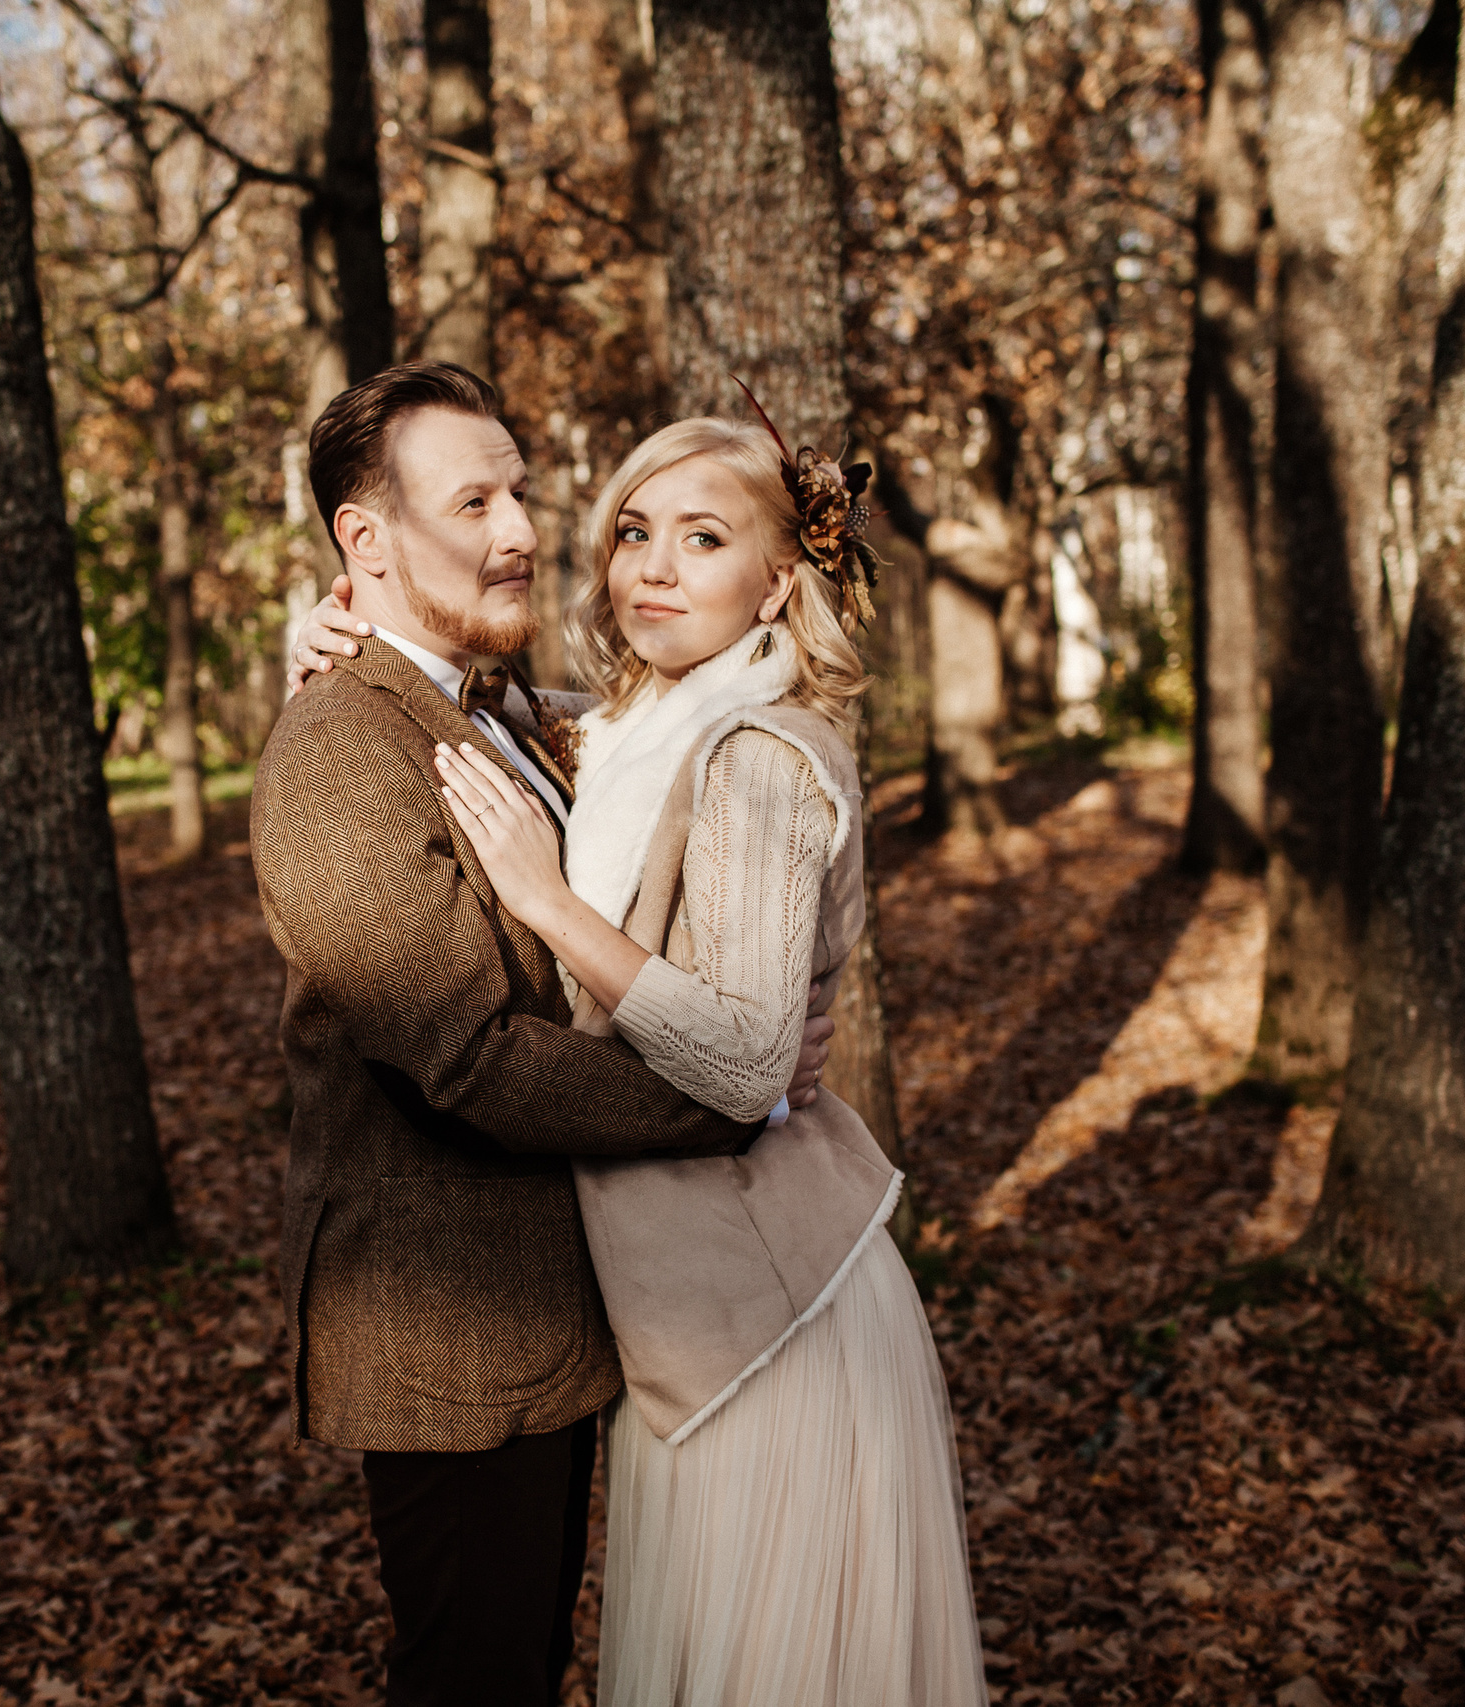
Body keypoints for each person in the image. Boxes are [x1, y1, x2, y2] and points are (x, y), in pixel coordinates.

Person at [289, 404, 988, 1705]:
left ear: (780, 577)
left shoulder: (749, 748)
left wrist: (566, 919)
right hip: (580, 1321)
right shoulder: (621, 723)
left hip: (759, 1311)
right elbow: (490, 735)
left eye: (704, 537)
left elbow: (737, 1062)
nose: (649, 567)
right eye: (633, 532)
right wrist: (326, 638)